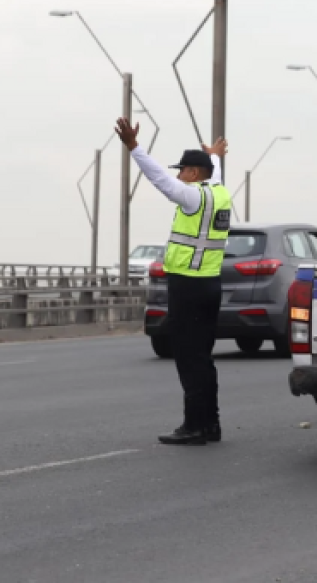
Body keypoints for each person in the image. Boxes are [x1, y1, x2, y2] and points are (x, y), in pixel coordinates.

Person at [114, 117, 232, 446]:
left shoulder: (192, 196)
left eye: (183, 170)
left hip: (188, 286)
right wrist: (215, 155)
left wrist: (134, 147)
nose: (179, 175)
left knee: (188, 357)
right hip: (210, 284)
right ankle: (211, 424)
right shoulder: (219, 192)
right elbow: (215, 171)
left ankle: (194, 426)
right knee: (203, 357)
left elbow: (159, 179)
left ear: (193, 173)